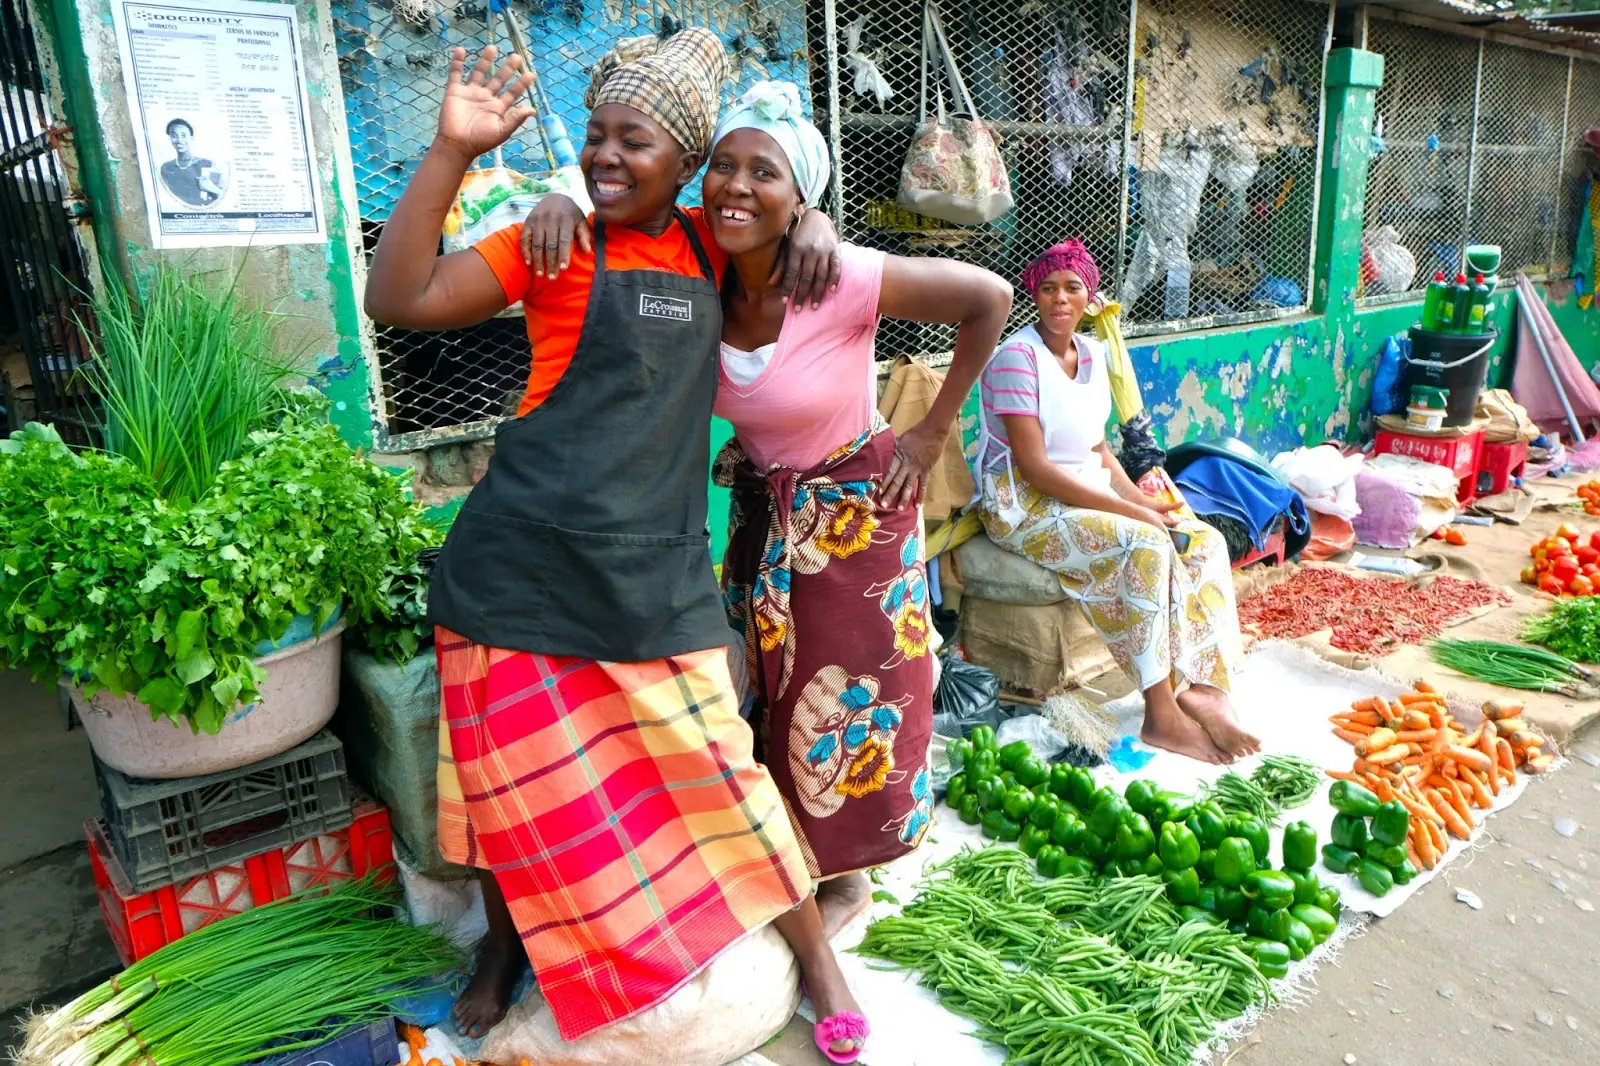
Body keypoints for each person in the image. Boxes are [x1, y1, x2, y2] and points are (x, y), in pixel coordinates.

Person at [362, 32, 846, 1043]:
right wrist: (453, 152)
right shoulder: (553, 241)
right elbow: (397, 296)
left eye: (636, 142)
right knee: (509, 795)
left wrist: (820, 224)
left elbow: (777, 210)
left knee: (721, 769)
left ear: (687, 168)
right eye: (594, 139)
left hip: (650, 575)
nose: (606, 158)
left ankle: (817, 960)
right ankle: (503, 947)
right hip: (516, 574)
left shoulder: (710, 248)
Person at [522, 81, 1012, 1063]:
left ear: (800, 197)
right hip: (760, 516)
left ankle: (844, 881)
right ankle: (797, 875)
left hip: (852, 515)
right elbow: (618, 206)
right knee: (770, 710)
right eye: (726, 167)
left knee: (857, 699)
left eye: (766, 172)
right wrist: (558, 202)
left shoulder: (842, 275)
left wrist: (930, 428)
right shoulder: (696, 262)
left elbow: (988, 298)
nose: (736, 186)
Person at [973, 241, 1259, 764]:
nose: (1060, 299)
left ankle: (1205, 686)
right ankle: (1161, 714)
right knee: (1147, 542)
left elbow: (1099, 451)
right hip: (1024, 508)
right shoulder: (1017, 359)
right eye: (1047, 288)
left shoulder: (1094, 355)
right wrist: (1134, 514)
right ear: (1033, 296)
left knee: (1204, 540)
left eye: (1072, 288)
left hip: (1084, 492)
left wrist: (1143, 499)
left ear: (1089, 296)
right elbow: (1037, 470)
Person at [158, 119, 225, 206]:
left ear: (191, 138)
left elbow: (224, 199)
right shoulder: (166, 167)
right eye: (174, 136)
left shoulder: (207, 164)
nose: (179, 140)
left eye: (183, 135)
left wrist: (212, 188)